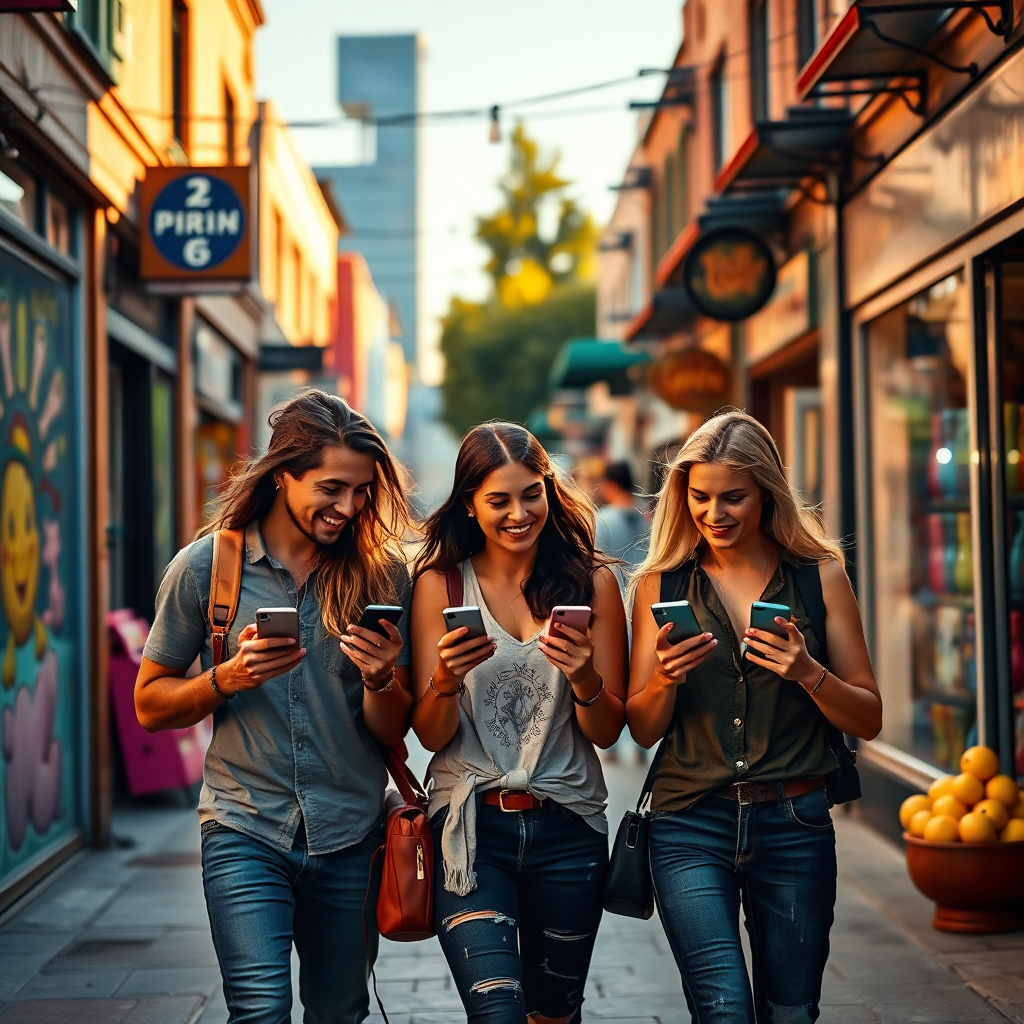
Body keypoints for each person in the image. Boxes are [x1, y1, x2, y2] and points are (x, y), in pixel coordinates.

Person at [135, 391, 414, 1024]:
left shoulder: (382, 578)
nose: (349, 507)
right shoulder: (207, 568)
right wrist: (226, 679)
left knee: (338, 1012)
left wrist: (379, 681)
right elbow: (150, 705)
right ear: (282, 474)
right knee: (259, 1010)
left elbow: (394, 728)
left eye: (362, 491)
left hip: (351, 832)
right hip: (243, 826)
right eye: (332, 488)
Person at [625, 408, 882, 1024]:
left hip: (794, 821)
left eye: (734, 497)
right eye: (700, 497)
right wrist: (663, 677)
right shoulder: (659, 585)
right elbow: (642, 727)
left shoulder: (819, 578)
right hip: (688, 823)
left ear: (768, 494)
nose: (715, 514)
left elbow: (869, 718)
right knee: (724, 1011)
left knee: (790, 1012)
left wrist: (807, 673)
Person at [410, 422, 627, 1024]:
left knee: (554, 1015)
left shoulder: (595, 583)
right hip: (470, 829)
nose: (518, 513)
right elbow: (429, 735)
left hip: (570, 825)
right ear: (470, 506)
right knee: (497, 1013)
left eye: (531, 493)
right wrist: (446, 679)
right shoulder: (440, 585)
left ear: (551, 492)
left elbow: (609, 731)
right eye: (498, 500)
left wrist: (584, 677)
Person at [595, 460, 649, 576]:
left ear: (611, 486)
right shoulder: (645, 517)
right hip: (643, 588)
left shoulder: (602, 520)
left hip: (614, 590)